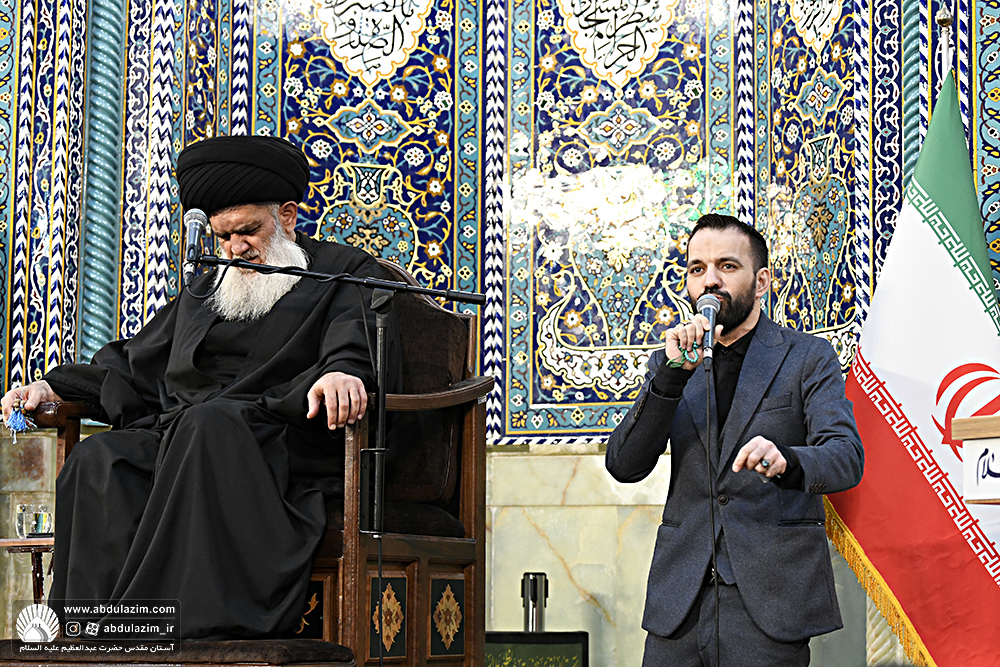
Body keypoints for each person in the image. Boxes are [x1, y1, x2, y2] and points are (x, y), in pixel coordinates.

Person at [1, 135, 401, 639]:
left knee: (206, 425)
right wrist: (51, 388)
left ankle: (168, 633)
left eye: (248, 231)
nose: (236, 249)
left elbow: (357, 339)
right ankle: (87, 636)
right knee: (100, 460)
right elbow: (136, 364)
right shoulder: (207, 286)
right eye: (223, 237)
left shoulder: (345, 272)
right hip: (191, 436)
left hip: (281, 444)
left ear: (287, 216)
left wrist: (342, 372)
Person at [606, 214, 863, 666]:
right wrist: (670, 378)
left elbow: (845, 457)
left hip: (769, 602)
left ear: (761, 281)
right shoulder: (671, 364)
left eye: (727, 266)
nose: (710, 280)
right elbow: (624, 465)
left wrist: (787, 460)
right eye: (697, 269)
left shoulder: (807, 356)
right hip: (679, 603)